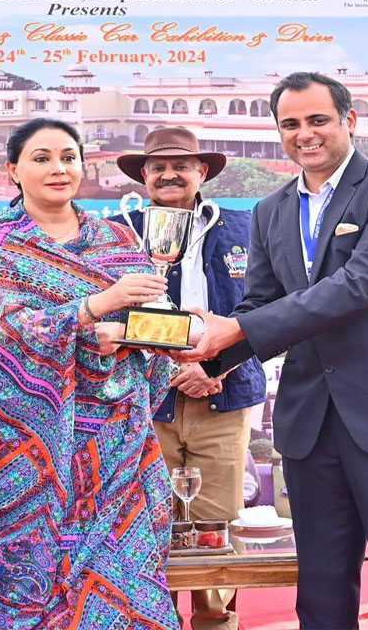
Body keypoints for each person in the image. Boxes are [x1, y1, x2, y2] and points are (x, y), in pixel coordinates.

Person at [176, 71, 368, 630]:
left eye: (317, 120)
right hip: (311, 419)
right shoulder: (271, 210)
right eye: (290, 124)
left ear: (348, 120)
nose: (304, 134)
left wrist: (233, 331)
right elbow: (260, 303)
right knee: (321, 585)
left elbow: (359, 285)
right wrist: (206, 353)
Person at [0, 118, 179, 629]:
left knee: (128, 584)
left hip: (118, 444)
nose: (59, 169)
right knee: (38, 588)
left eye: (69, 157)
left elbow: (159, 326)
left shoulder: (116, 239)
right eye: (42, 158)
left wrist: (136, 334)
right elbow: (4, 338)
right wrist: (95, 308)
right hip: (32, 455)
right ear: (13, 170)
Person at [114, 127, 267, 630]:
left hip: (224, 395)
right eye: (158, 167)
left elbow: (269, 310)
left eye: (181, 165)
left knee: (216, 527)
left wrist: (216, 365)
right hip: (142, 403)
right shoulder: (117, 233)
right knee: (145, 524)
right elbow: (106, 318)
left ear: (202, 172)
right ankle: (153, 620)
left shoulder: (247, 227)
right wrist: (171, 368)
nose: (169, 175)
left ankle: (215, 623)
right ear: (144, 176)